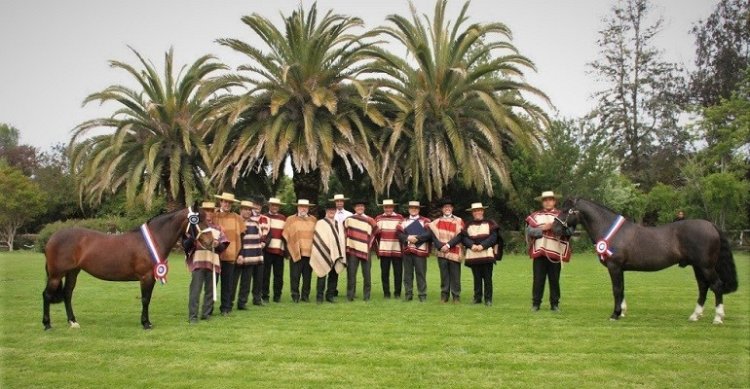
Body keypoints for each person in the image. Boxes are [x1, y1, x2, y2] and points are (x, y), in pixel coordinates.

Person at [525, 191, 574, 312]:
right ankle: (536, 304)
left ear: (554, 201)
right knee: (538, 279)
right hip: (540, 252)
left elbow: (569, 231)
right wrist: (543, 229)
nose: (548, 202)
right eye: (545, 200)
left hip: (555, 252)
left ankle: (555, 304)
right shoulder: (535, 216)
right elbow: (530, 231)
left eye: (550, 199)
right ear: (542, 202)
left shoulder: (561, 216)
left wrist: (554, 227)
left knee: (554, 280)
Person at [447, 203, 502, 306]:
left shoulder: (490, 223)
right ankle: (477, 298)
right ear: (472, 213)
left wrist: (482, 245)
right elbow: (464, 237)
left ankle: (488, 299)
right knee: (476, 278)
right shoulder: (468, 225)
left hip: (486, 254)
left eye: (479, 210)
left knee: (487, 278)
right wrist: (471, 245)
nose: (477, 212)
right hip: (473, 255)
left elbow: (493, 237)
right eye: (475, 211)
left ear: (482, 211)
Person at [183, 201, 228, 323]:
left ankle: (206, 314)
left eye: (211, 211)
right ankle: (193, 316)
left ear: (214, 213)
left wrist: (218, 244)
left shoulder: (218, 228)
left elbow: (224, 247)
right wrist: (192, 238)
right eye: (206, 210)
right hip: (198, 263)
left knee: (210, 290)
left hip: (213, 263)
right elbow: (185, 245)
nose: (208, 213)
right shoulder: (194, 227)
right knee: (195, 291)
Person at [412, 198, 464, 303]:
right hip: (441, 252)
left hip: (454, 251)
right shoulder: (436, 222)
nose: (447, 209)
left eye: (449, 207)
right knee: (444, 275)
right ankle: (444, 296)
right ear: (442, 209)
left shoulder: (459, 220)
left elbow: (460, 236)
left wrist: (448, 245)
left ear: (452, 208)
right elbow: (431, 235)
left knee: (455, 275)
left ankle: (456, 297)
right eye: (445, 207)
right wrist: (416, 238)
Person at [212, 192, 244, 316]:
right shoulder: (214, 216)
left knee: (227, 284)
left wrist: (240, 253)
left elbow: (241, 236)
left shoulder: (237, 218)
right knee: (213, 283)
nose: (227, 204)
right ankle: (208, 308)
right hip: (215, 255)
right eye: (225, 202)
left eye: (229, 202)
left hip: (230, 255)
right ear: (221, 202)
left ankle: (225, 308)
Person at [234, 200, 268, 309]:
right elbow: (236, 240)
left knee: (249, 281)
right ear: (240, 210)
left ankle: (244, 302)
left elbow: (259, 237)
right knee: (236, 282)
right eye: (245, 209)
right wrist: (239, 254)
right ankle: (230, 303)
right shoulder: (237, 222)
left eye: (249, 209)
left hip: (254, 256)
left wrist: (262, 245)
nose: (248, 212)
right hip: (241, 256)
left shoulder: (255, 223)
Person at [311, 202, 347, 303]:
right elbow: (318, 239)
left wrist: (339, 252)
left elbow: (341, 239)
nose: (331, 211)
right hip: (324, 253)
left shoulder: (338, 224)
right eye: (329, 210)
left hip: (336, 254)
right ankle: (319, 297)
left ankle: (330, 295)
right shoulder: (320, 223)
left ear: (335, 211)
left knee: (334, 275)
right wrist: (324, 250)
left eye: (333, 210)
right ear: (326, 211)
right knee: (322, 273)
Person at [282, 199, 317, 303]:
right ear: (297, 207)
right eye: (301, 206)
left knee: (307, 277)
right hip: (296, 252)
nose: (303, 208)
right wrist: (288, 252)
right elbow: (286, 235)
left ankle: (305, 296)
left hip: (310, 253)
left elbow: (317, 236)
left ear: (308, 208)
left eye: (305, 207)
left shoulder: (313, 220)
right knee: (295, 276)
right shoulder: (290, 219)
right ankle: (295, 295)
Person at [397, 201, 431, 302]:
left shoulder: (425, 220)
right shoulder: (403, 221)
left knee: (421, 274)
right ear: (408, 209)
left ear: (419, 209)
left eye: (416, 208)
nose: (414, 209)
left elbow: (429, 234)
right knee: (407, 275)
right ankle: (408, 295)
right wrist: (408, 237)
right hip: (407, 251)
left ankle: (422, 295)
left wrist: (417, 238)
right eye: (412, 208)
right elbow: (399, 234)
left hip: (420, 251)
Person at [343, 199, 377, 302]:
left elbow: (375, 233)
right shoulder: (349, 219)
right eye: (358, 206)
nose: (360, 208)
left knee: (367, 274)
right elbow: (344, 233)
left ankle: (367, 296)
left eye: (361, 206)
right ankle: (350, 296)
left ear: (364, 208)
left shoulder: (370, 220)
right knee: (351, 274)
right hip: (352, 250)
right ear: (354, 208)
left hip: (366, 250)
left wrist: (369, 244)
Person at [375, 199, 404, 299]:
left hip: (397, 249)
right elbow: (376, 234)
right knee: (384, 273)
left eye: (390, 207)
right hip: (384, 250)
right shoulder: (378, 218)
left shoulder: (399, 217)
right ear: (383, 208)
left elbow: (403, 233)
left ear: (393, 207)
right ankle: (386, 293)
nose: (388, 209)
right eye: (386, 207)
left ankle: (397, 293)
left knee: (398, 273)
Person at [262, 197, 287, 303]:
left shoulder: (283, 218)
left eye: (276, 205)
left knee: (278, 275)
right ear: (269, 206)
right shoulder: (263, 217)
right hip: (267, 250)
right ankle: (265, 296)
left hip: (279, 250)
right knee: (265, 274)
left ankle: (277, 296)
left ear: (279, 207)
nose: (274, 207)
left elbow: (286, 234)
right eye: (272, 205)